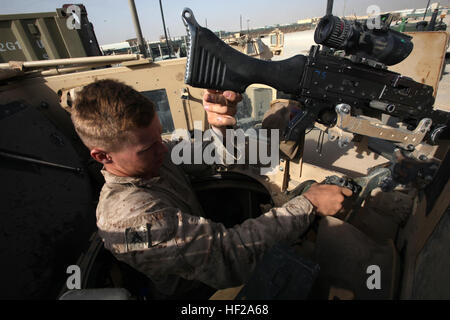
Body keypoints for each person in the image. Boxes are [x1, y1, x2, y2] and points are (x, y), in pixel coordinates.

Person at [71, 79, 352, 298]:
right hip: (198, 294)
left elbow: (212, 155)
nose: (162, 149)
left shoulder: (153, 157)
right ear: (102, 156)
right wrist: (307, 204)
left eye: (160, 136)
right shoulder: (129, 218)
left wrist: (220, 127)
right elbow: (229, 258)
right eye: (148, 147)